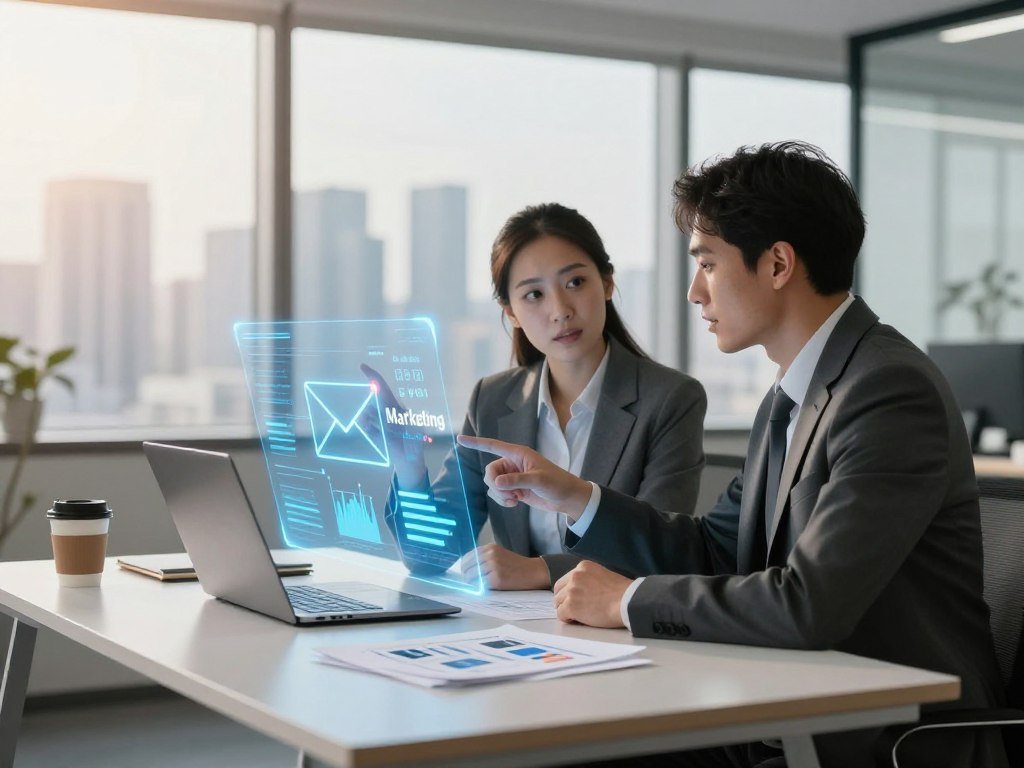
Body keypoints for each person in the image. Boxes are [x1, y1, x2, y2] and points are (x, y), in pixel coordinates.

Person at [459, 144, 1005, 767]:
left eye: (708, 263)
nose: (695, 292)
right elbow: (715, 550)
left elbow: (808, 603)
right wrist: (576, 498)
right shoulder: (794, 394)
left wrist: (627, 601)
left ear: (777, 264)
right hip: (788, 711)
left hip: (880, 737)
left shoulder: (885, 389)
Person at [372, 202, 707, 590]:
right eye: (533, 295)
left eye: (576, 283)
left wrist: (540, 570)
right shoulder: (493, 400)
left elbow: (659, 552)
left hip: (616, 628)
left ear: (608, 282)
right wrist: (409, 466)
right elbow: (430, 556)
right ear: (510, 312)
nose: (560, 310)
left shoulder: (671, 399)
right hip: (521, 632)